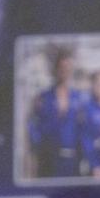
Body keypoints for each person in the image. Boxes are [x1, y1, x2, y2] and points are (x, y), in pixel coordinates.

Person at [26, 47, 85, 179]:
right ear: (56, 69)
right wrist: (37, 152)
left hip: (73, 162)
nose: (66, 71)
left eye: (69, 68)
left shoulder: (79, 98)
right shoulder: (43, 98)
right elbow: (33, 127)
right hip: (49, 161)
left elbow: (84, 129)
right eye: (62, 67)